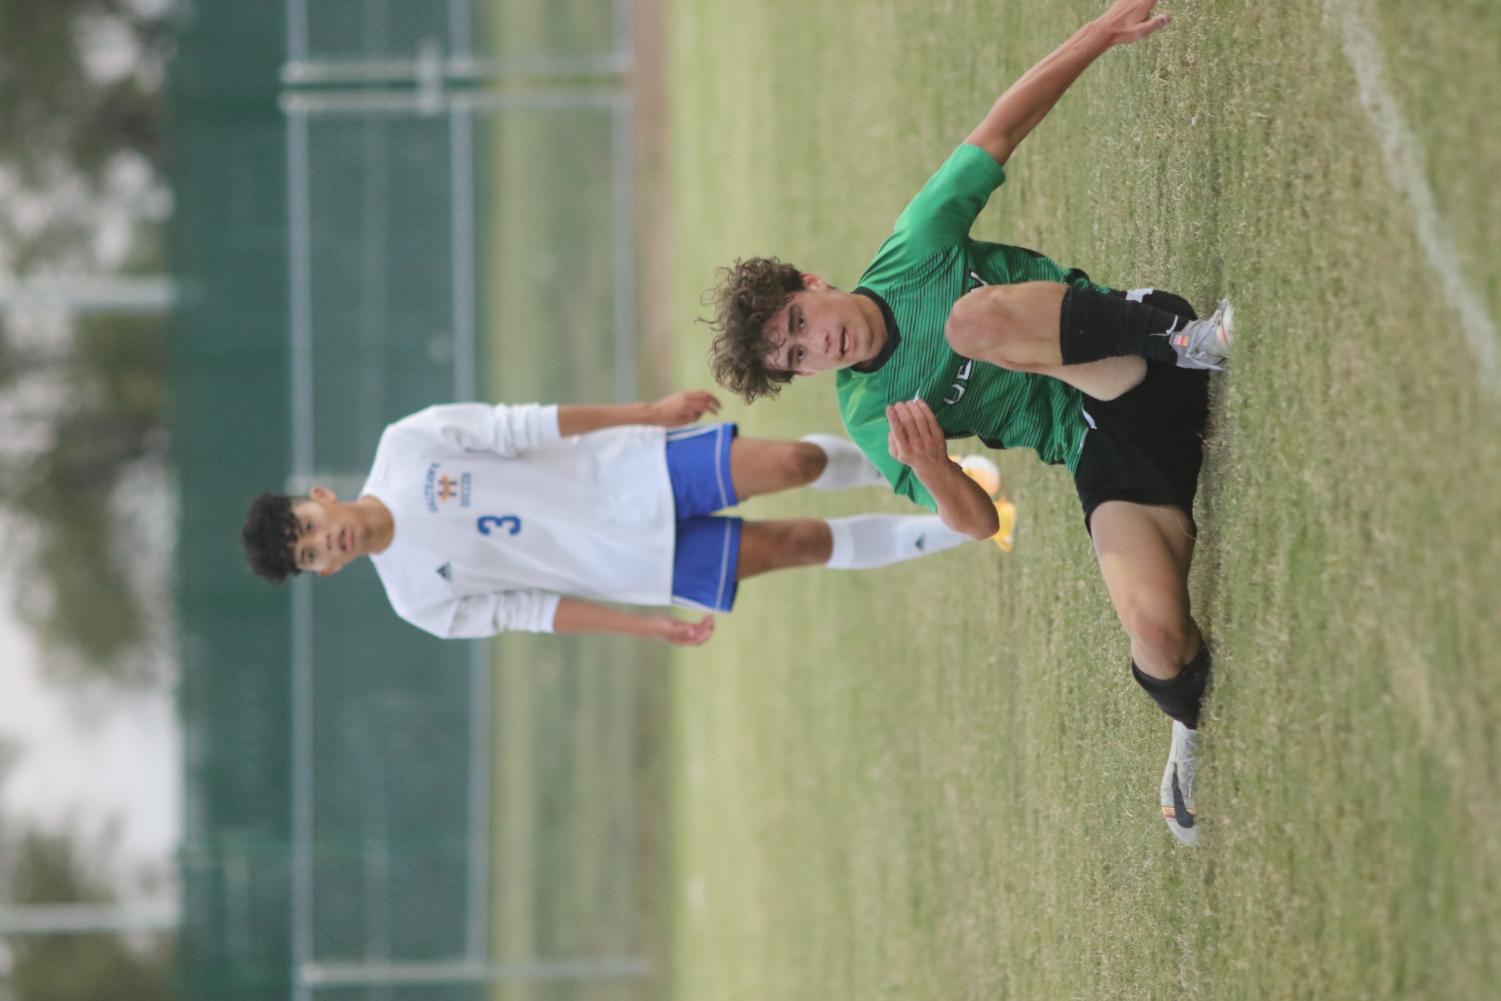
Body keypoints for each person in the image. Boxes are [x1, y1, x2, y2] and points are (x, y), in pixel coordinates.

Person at [701, 0, 1231, 844]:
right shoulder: (871, 414)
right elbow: (980, 522)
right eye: (796, 357)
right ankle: (1185, 731)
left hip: (1138, 358)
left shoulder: (914, 248)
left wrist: (1094, 35)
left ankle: (1197, 340)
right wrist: (939, 471)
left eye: (798, 321)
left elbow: (999, 128)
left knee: (969, 323)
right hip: (1099, 447)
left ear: (812, 281)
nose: (817, 343)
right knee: (1155, 632)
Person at [241, 389, 1009, 648]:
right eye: (310, 555)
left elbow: (523, 424)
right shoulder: (416, 599)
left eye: (306, 524)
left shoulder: (405, 446)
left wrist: (647, 411)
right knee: (801, 542)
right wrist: (643, 624)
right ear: (329, 569)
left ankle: (921, 469)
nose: (320, 540)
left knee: (795, 464)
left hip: (632, 470)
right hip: (639, 564)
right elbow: (531, 610)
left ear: (320, 495)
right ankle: (966, 519)